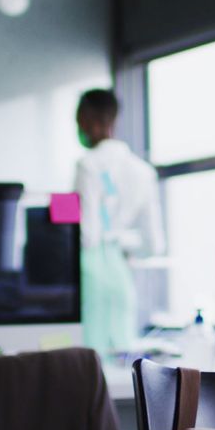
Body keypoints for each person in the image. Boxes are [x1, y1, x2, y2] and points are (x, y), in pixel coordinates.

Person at [73, 89, 165, 356]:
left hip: (90, 278)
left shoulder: (87, 165)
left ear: (89, 120)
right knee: (121, 366)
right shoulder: (143, 172)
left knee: (91, 366)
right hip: (121, 277)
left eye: (79, 121)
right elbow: (154, 244)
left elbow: (86, 235)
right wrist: (120, 241)